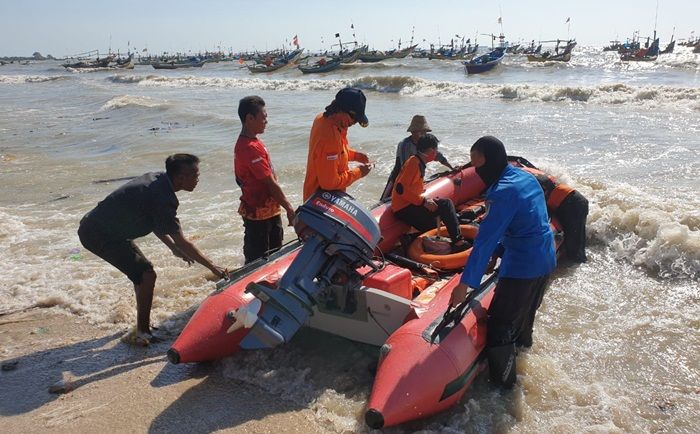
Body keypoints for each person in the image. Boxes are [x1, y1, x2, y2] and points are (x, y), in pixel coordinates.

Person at [78, 154, 228, 346]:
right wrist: (213, 267)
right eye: (194, 174)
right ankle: (142, 332)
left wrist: (171, 247)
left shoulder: (159, 180)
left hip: (103, 229)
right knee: (147, 274)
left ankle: (142, 327)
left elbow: (155, 220)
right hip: (98, 234)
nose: (198, 179)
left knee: (142, 274)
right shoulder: (163, 197)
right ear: (180, 177)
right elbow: (182, 241)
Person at [449, 136, 556, 388]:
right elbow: (527, 220)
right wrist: (499, 251)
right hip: (545, 257)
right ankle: (523, 351)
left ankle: (503, 389)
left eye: (476, 163)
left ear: (487, 161)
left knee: (500, 325)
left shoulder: (502, 192)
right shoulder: (525, 178)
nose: (475, 170)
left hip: (523, 266)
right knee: (526, 314)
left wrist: (464, 285)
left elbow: (484, 241)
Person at [234, 95, 295, 264]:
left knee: (274, 254)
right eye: (264, 117)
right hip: (258, 214)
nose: (266, 121)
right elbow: (269, 182)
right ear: (249, 118)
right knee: (259, 260)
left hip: (267, 210)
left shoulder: (254, 142)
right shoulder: (249, 148)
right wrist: (289, 208)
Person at [391, 133, 468, 251]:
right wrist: (424, 201)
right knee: (446, 204)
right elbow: (401, 189)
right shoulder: (413, 163)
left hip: (407, 206)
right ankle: (458, 241)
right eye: (436, 149)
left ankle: (409, 239)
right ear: (431, 150)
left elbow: (409, 185)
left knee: (432, 225)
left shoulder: (418, 161)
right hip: (404, 208)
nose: (437, 152)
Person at [302, 87, 372, 201]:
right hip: (321, 203)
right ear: (341, 110)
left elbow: (337, 153)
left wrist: (356, 156)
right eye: (354, 119)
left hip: (318, 198)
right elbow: (329, 183)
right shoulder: (329, 137)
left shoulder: (324, 119)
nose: (354, 123)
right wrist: (359, 172)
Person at [521, 166, 588, 263]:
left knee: (574, 249)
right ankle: (570, 266)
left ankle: (578, 268)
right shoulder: (527, 172)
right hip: (571, 198)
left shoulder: (519, 179)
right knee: (574, 240)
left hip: (570, 203)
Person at [380, 115, 453, 201]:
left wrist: (451, 168)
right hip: (398, 178)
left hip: (415, 178)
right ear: (413, 132)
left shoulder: (426, 144)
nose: (423, 134)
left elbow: (439, 157)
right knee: (384, 201)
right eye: (420, 132)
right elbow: (405, 168)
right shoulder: (405, 145)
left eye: (424, 132)